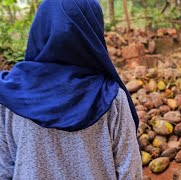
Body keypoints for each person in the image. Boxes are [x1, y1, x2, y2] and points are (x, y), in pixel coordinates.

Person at [0, 0, 142, 179]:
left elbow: (4, 171)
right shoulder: (111, 97)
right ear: (92, 31)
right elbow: (131, 173)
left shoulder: (8, 95)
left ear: (41, 27)